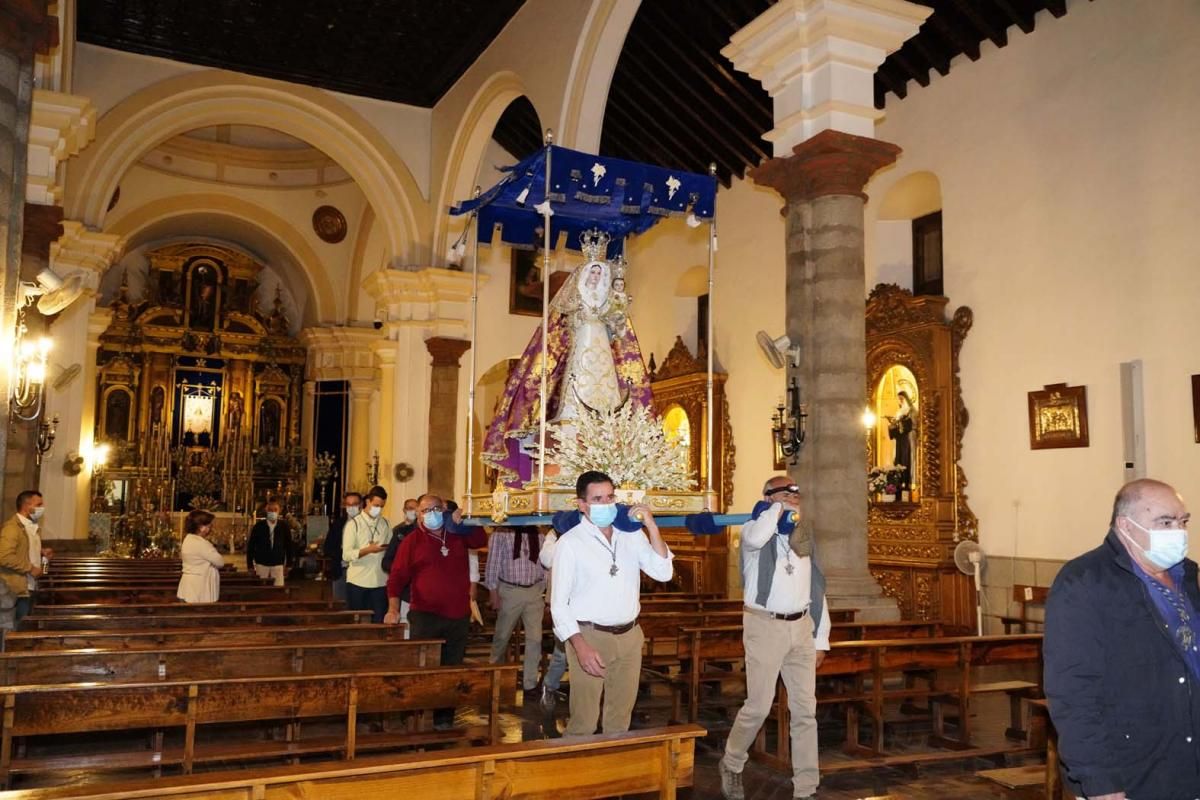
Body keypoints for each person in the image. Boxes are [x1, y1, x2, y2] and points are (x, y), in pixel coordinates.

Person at [1044, 478, 1200, 799]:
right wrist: (1099, 780)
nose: (1178, 532)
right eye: (1165, 522)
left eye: (1183, 521)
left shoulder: (1187, 576)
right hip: (1131, 771)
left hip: (1187, 761)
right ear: (1125, 526)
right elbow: (1073, 692)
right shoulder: (1084, 582)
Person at [481, 238, 651, 487]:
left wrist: (617, 308)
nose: (595, 276)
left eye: (598, 272)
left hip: (602, 349)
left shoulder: (607, 300)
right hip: (582, 348)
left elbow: (618, 329)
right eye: (592, 271)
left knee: (609, 393)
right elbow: (561, 329)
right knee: (575, 388)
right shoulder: (573, 301)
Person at [719, 477, 830, 800]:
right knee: (758, 705)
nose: (793, 498)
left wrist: (820, 637)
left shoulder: (804, 537)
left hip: (801, 627)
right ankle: (732, 762)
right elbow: (757, 537)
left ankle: (806, 788)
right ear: (767, 498)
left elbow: (818, 589)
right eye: (784, 493)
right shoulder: (755, 530)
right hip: (764, 626)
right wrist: (775, 507)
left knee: (805, 710)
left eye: (796, 493)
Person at [551, 470, 673, 736]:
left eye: (610, 497)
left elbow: (663, 572)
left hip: (629, 635)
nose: (606, 505)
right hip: (590, 635)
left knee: (620, 718)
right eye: (597, 499)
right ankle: (576, 774)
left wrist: (651, 526)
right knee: (584, 719)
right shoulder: (570, 543)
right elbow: (558, 604)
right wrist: (580, 646)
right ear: (582, 505)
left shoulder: (630, 535)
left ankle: (613, 774)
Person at [384, 493, 487, 728]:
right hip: (425, 616)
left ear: (444, 510)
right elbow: (397, 578)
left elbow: (480, 539)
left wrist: (466, 519)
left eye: (434, 509)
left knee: (452, 670)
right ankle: (417, 715)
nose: (429, 514)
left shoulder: (457, 535)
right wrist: (393, 609)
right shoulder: (411, 541)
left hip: (457, 616)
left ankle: (444, 719)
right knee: (424, 669)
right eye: (424, 511)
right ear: (418, 515)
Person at [484, 525, 547, 694]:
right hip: (510, 590)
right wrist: (493, 592)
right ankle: (493, 674)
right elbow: (493, 562)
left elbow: (543, 561)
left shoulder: (538, 532)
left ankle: (530, 683)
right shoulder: (502, 532)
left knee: (535, 639)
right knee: (502, 636)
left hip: (534, 590)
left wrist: (544, 585)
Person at [342, 485, 392, 623]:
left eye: (382, 506)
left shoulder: (386, 523)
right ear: (368, 502)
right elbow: (346, 555)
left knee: (379, 621)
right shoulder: (354, 524)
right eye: (376, 505)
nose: (379, 509)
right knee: (357, 622)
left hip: (380, 581)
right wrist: (367, 550)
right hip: (358, 581)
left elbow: (391, 549)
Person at [0, 491, 44, 629]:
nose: (42, 508)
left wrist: (42, 554)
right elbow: (4, 556)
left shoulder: (30, 527)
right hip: (16, 589)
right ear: (26, 506)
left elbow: (24, 551)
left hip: (29, 586)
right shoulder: (12, 528)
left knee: (23, 628)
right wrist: (30, 568)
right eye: (39, 504)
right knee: (14, 629)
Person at [538, 525, 570, 712]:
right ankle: (549, 687)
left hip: (589, 603)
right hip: (562, 603)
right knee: (562, 653)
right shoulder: (556, 532)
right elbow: (547, 559)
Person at [177, 510, 223, 603]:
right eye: (209, 525)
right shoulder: (200, 543)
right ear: (201, 527)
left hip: (192, 584)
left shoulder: (189, 539)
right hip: (199, 587)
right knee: (200, 613)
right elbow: (220, 562)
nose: (210, 528)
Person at [324, 491, 361, 602]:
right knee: (340, 604)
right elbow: (328, 547)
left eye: (354, 504)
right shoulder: (338, 523)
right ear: (344, 506)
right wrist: (343, 554)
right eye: (348, 504)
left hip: (360, 572)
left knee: (357, 605)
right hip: (340, 570)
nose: (351, 507)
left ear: (361, 505)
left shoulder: (367, 524)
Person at [246, 500, 289, 586]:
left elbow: (288, 545)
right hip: (262, 563)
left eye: (275, 510)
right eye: (270, 510)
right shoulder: (258, 526)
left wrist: (289, 564)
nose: (272, 512)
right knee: (261, 588)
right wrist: (250, 565)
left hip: (278, 563)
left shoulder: (283, 526)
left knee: (278, 589)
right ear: (266, 511)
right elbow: (251, 546)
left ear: (279, 511)